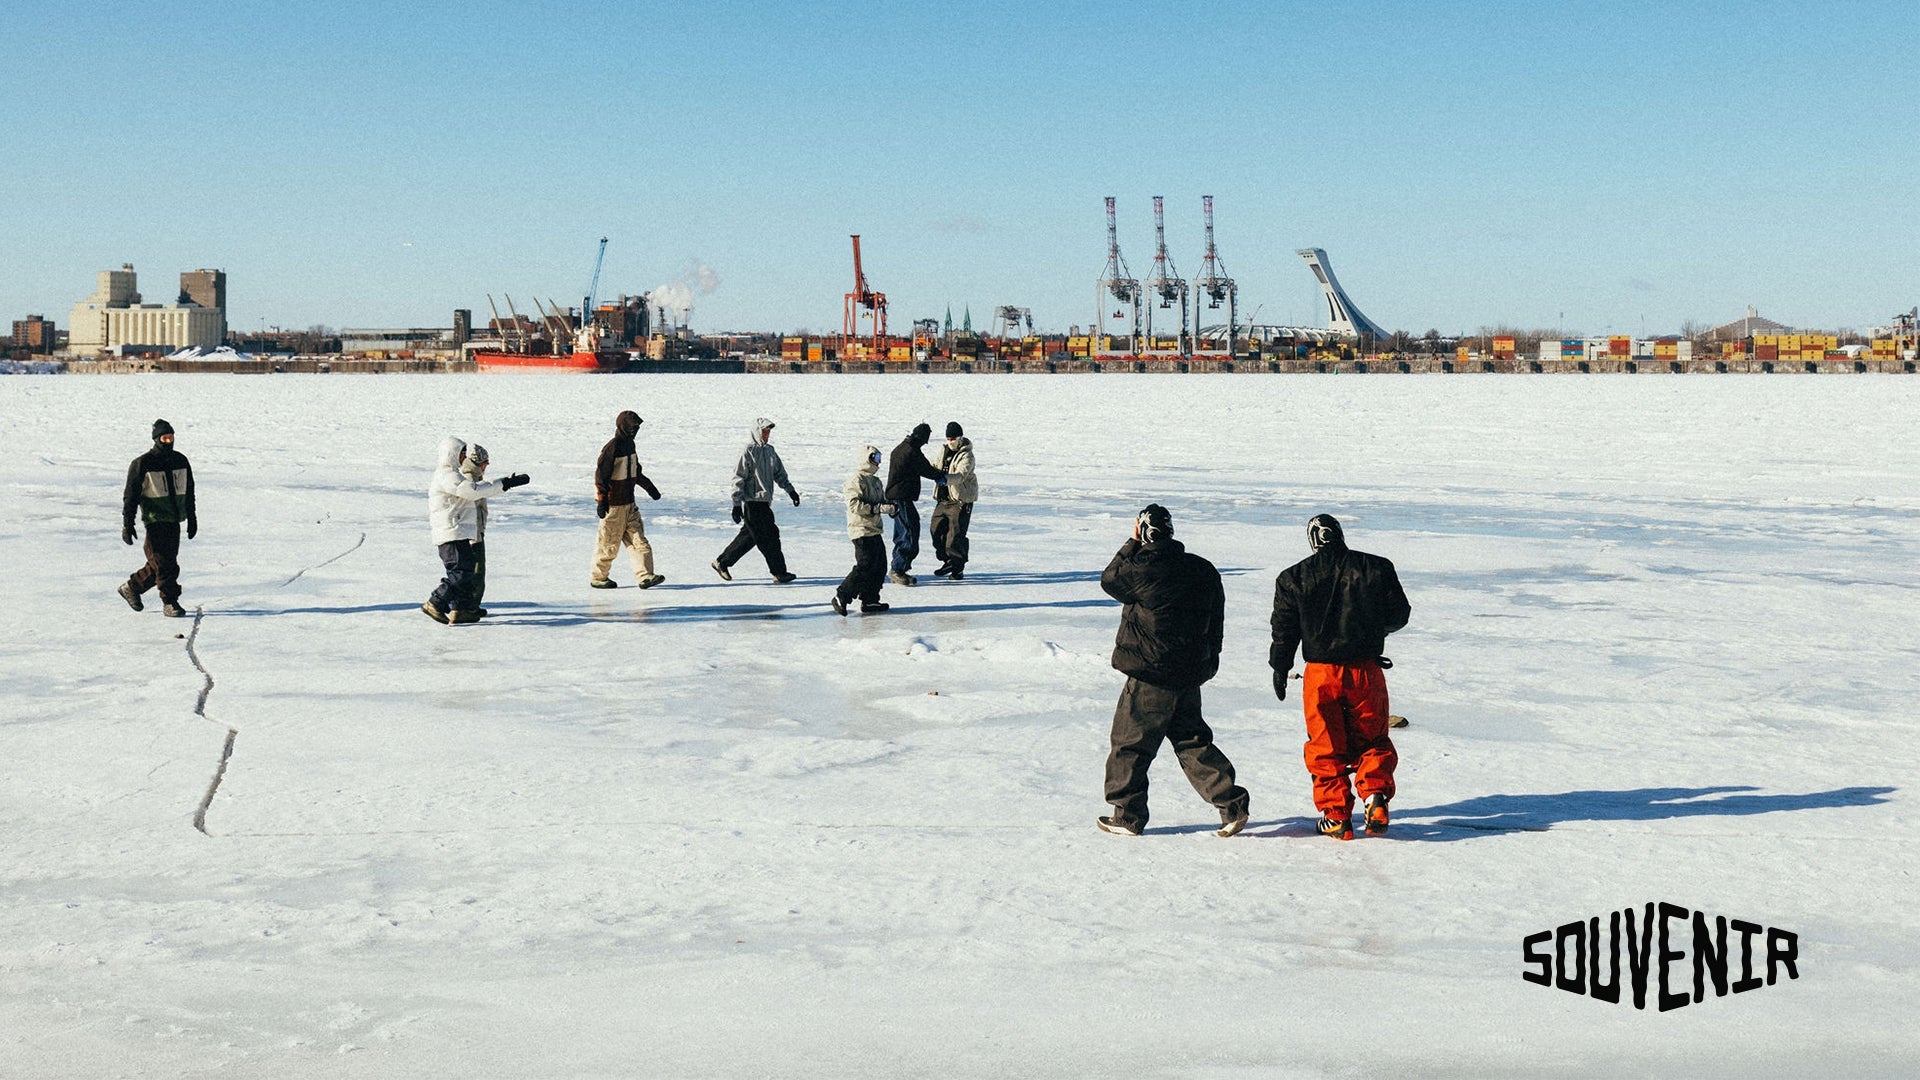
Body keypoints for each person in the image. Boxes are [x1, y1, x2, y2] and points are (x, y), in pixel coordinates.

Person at [1096, 504, 1250, 838]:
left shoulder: (1142, 568)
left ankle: (1127, 815)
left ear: (1144, 532)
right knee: (1192, 742)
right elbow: (1216, 620)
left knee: (1130, 745)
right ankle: (1232, 804)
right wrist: (1211, 659)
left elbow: (1110, 580)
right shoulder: (1202, 569)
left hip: (1150, 676)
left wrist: (1131, 543)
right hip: (1188, 674)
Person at [1269, 514, 1410, 840]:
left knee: (1324, 744)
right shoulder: (1376, 568)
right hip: (1365, 671)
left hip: (1321, 674)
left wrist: (1279, 667)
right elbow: (1399, 615)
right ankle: (1375, 796)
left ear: (1313, 541)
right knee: (1372, 739)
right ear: (1341, 535)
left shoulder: (1293, 577)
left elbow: (1284, 631)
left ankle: (1336, 816)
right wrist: (1371, 630)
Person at [425, 436, 528, 624]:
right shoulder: (447, 475)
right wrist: (504, 483)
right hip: (451, 533)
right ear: (451, 454)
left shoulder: (452, 474)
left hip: (458, 532)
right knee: (460, 573)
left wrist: (505, 483)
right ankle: (435, 602)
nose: (464, 457)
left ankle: (462, 610)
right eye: (461, 453)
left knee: (466, 572)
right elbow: (473, 491)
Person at [118, 418, 196, 618]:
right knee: (165, 564)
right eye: (164, 438)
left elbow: (189, 490)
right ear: (156, 439)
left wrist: (192, 517)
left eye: (171, 437)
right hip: (155, 520)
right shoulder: (142, 463)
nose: (169, 441)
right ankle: (170, 601)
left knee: (163, 563)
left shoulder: (181, 460)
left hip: (174, 519)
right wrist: (128, 523)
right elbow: (131, 496)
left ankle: (132, 587)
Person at [713, 417, 799, 583]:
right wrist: (736, 504)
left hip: (764, 502)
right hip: (752, 502)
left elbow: (779, 474)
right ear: (757, 432)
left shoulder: (770, 451)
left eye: (768, 432)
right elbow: (738, 478)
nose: (767, 435)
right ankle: (779, 572)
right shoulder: (748, 451)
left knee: (751, 536)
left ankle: (722, 562)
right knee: (768, 537)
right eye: (764, 431)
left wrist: (791, 491)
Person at [591, 409, 664, 590]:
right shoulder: (612, 448)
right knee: (608, 544)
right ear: (622, 426)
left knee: (639, 541)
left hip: (630, 504)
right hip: (613, 506)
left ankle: (645, 576)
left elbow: (635, 472)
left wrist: (650, 488)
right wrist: (602, 501)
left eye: (637, 427)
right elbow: (601, 477)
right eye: (632, 427)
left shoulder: (630, 446)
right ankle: (599, 577)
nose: (635, 430)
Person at [831, 445, 895, 616]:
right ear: (866, 459)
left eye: (879, 458)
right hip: (860, 530)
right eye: (875, 458)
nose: (878, 462)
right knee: (865, 565)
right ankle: (842, 595)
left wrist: (890, 507)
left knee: (880, 566)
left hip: (874, 529)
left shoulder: (875, 481)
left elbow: (881, 502)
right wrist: (877, 508)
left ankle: (870, 600)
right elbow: (854, 505)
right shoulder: (856, 480)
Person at [884, 422, 945, 586]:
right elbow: (926, 469)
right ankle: (897, 569)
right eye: (925, 440)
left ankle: (898, 568)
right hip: (901, 497)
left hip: (896, 497)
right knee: (910, 532)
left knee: (903, 532)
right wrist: (941, 475)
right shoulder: (911, 451)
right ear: (921, 438)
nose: (925, 444)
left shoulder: (901, 448)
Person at [930, 421, 976, 580]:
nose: (950, 442)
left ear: (960, 438)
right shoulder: (943, 451)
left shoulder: (967, 455)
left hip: (959, 501)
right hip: (943, 500)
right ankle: (948, 560)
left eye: (953, 439)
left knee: (955, 537)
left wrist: (945, 479)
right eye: (948, 439)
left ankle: (957, 568)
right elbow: (934, 465)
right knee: (936, 531)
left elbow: (961, 475)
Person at [460, 443, 492, 617]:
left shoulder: (473, 477)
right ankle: (470, 607)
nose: (487, 465)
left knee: (473, 571)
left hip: (473, 531)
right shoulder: (470, 479)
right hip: (473, 533)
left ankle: (469, 605)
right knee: (477, 571)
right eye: (486, 462)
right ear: (479, 462)